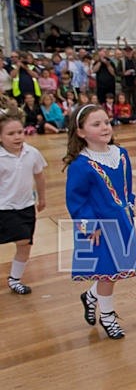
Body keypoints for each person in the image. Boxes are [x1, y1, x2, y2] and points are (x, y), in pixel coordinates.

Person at [64, 104, 136, 339]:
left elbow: (126, 186)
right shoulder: (81, 165)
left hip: (120, 221)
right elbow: (76, 201)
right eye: (96, 124)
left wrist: (129, 205)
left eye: (107, 122)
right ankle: (108, 316)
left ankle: (91, 296)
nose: (105, 127)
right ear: (81, 132)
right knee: (106, 274)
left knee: (115, 271)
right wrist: (89, 225)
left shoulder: (120, 155)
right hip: (98, 228)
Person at [0, 116, 47, 295]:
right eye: (10, 134)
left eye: (19, 132)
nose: (17, 137)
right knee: (21, 239)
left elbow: (39, 176)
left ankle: (14, 279)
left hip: (26, 206)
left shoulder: (32, 153)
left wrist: (42, 198)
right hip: (4, 208)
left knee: (25, 244)